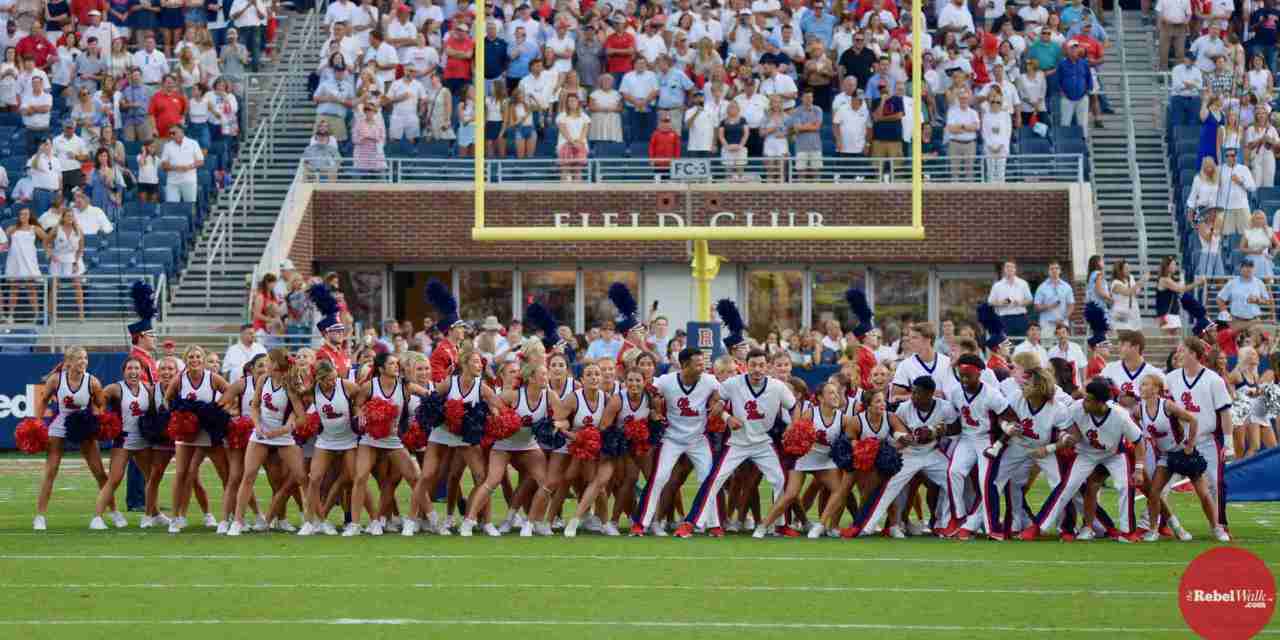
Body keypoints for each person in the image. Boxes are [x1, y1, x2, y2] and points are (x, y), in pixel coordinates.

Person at [1020, 378, 1146, 542]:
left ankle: (1128, 531)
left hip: (1113, 455)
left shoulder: (1120, 415)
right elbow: (1062, 429)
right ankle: (1038, 526)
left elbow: (1139, 441)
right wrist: (1066, 437)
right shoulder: (1076, 408)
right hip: (1085, 453)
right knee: (1067, 486)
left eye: (1089, 400)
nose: (1084, 402)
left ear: (1101, 403)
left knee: (1125, 485)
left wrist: (1139, 469)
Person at [842, 376, 956, 538]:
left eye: (917, 393)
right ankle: (864, 526)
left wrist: (937, 430)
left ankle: (945, 523)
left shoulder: (945, 407)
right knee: (887, 488)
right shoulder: (904, 408)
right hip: (908, 454)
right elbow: (895, 431)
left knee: (954, 478)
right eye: (912, 392)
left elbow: (957, 427)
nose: (913, 396)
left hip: (932, 454)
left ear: (930, 394)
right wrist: (903, 437)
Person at [631, 347, 723, 536]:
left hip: (698, 439)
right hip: (671, 438)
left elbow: (722, 393)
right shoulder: (666, 381)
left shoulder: (709, 380)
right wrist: (654, 409)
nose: (702, 368)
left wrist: (718, 403)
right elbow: (648, 389)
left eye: (703, 364)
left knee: (708, 478)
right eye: (698, 364)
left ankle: (714, 524)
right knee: (659, 477)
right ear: (685, 365)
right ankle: (640, 523)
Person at [410, 347, 491, 536]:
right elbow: (430, 402)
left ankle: (471, 519)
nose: (480, 365)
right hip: (442, 433)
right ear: (465, 364)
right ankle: (411, 520)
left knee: (481, 477)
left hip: (464, 436)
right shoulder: (450, 382)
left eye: (480, 362)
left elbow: (497, 404)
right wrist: (444, 417)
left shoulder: (481, 386)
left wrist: (495, 415)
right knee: (427, 475)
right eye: (476, 361)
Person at [32, 347, 114, 530]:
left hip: (83, 425)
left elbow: (100, 404)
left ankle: (114, 512)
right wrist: (37, 423)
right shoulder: (56, 379)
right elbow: (43, 400)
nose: (83, 362)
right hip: (60, 423)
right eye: (79, 359)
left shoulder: (92, 382)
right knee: (51, 470)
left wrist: (95, 418)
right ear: (69, 362)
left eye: (85, 358)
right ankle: (40, 516)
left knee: (99, 472)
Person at [1163, 337, 1233, 541]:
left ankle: (1220, 525)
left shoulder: (1213, 380)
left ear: (1193, 354)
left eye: (1182, 350)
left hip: (1208, 439)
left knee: (1215, 484)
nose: (1178, 354)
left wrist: (1228, 443)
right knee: (1161, 486)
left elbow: (1225, 413)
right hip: (1179, 442)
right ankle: (1161, 525)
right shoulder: (1171, 378)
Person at [164, 345, 231, 533]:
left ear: (203, 359)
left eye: (198, 356)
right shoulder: (180, 379)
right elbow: (168, 399)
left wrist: (218, 410)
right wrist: (178, 416)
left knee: (224, 473)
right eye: (191, 357)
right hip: (187, 433)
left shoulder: (212, 378)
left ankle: (229, 517)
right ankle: (175, 518)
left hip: (208, 432)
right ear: (186, 360)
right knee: (181, 473)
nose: (195, 360)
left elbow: (230, 392)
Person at [4, 206, 46, 322]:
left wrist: (48, 250)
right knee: (14, 289)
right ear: (19, 216)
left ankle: (37, 316)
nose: (23, 216)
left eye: (26, 214)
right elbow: (3, 242)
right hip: (14, 262)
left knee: (31, 289)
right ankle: (10, 316)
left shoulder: (35, 228)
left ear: (30, 216)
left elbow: (47, 239)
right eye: (21, 214)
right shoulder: (12, 229)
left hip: (29, 262)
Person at [46, 206, 84, 321]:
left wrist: (75, 262)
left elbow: (81, 249)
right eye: (67, 216)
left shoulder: (79, 230)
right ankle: (50, 315)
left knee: (77, 285)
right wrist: (51, 255)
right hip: (57, 259)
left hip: (73, 259)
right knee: (54, 286)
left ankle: (81, 315)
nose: (70, 218)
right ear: (63, 217)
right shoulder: (56, 229)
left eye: (71, 216)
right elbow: (46, 242)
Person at [1217, 259, 1271, 330]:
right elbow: (1220, 299)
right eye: (1246, 266)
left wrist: (1258, 300)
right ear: (1240, 268)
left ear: (1254, 269)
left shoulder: (1259, 283)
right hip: (1236, 321)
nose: (1248, 269)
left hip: (1254, 321)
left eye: (1251, 266)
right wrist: (1227, 317)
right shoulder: (1232, 283)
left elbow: (1267, 301)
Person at [159, 122, 202, 202]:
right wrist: (176, 168)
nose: (172, 135)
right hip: (172, 182)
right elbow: (163, 165)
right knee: (172, 206)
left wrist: (189, 167)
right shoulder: (167, 146)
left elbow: (200, 161)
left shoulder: (193, 143)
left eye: (174, 133)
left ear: (181, 131)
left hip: (189, 181)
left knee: (190, 205)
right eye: (170, 133)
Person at [987, 261, 1032, 337]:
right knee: (1005, 342)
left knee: (1021, 341)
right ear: (1004, 269)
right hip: (1004, 318)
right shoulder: (997, 285)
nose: (1009, 269)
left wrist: (1020, 303)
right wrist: (1001, 303)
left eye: (1012, 267)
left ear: (1015, 269)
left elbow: (1030, 300)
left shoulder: (1023, 283)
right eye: (1007, 267)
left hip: (1020, 317)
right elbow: (990, 302)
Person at [1109, 259, 1144, 332]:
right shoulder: (1115, 283)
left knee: (1136, 336)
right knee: (1125, 335)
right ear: (1120, 270)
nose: (1129, 270)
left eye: (1129, 267)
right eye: (1126, 268)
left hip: (1133, 312)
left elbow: (1135, 292)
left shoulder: (1131, 277)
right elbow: (1127, 292)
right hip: (1121, 313)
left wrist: (1138, 287)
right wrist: (1141, 281)